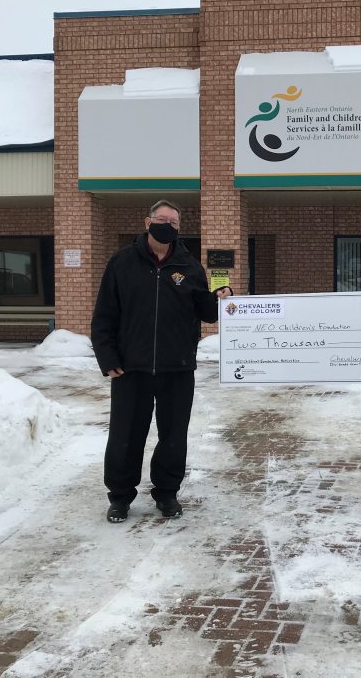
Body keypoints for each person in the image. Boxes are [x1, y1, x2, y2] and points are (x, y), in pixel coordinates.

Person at [91, 200, 232, 523]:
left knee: (173, 435)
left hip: (177, 368)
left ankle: (167, 493)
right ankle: (120, 497)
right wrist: (107, 356)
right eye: (162, 219)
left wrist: (221, 297)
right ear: (148, 221)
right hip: (130, 368)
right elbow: (104, 315)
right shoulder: (121, 263)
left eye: (175, 222)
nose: (168, 225)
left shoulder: (190, 266)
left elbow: (207, 313)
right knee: (125, 435)